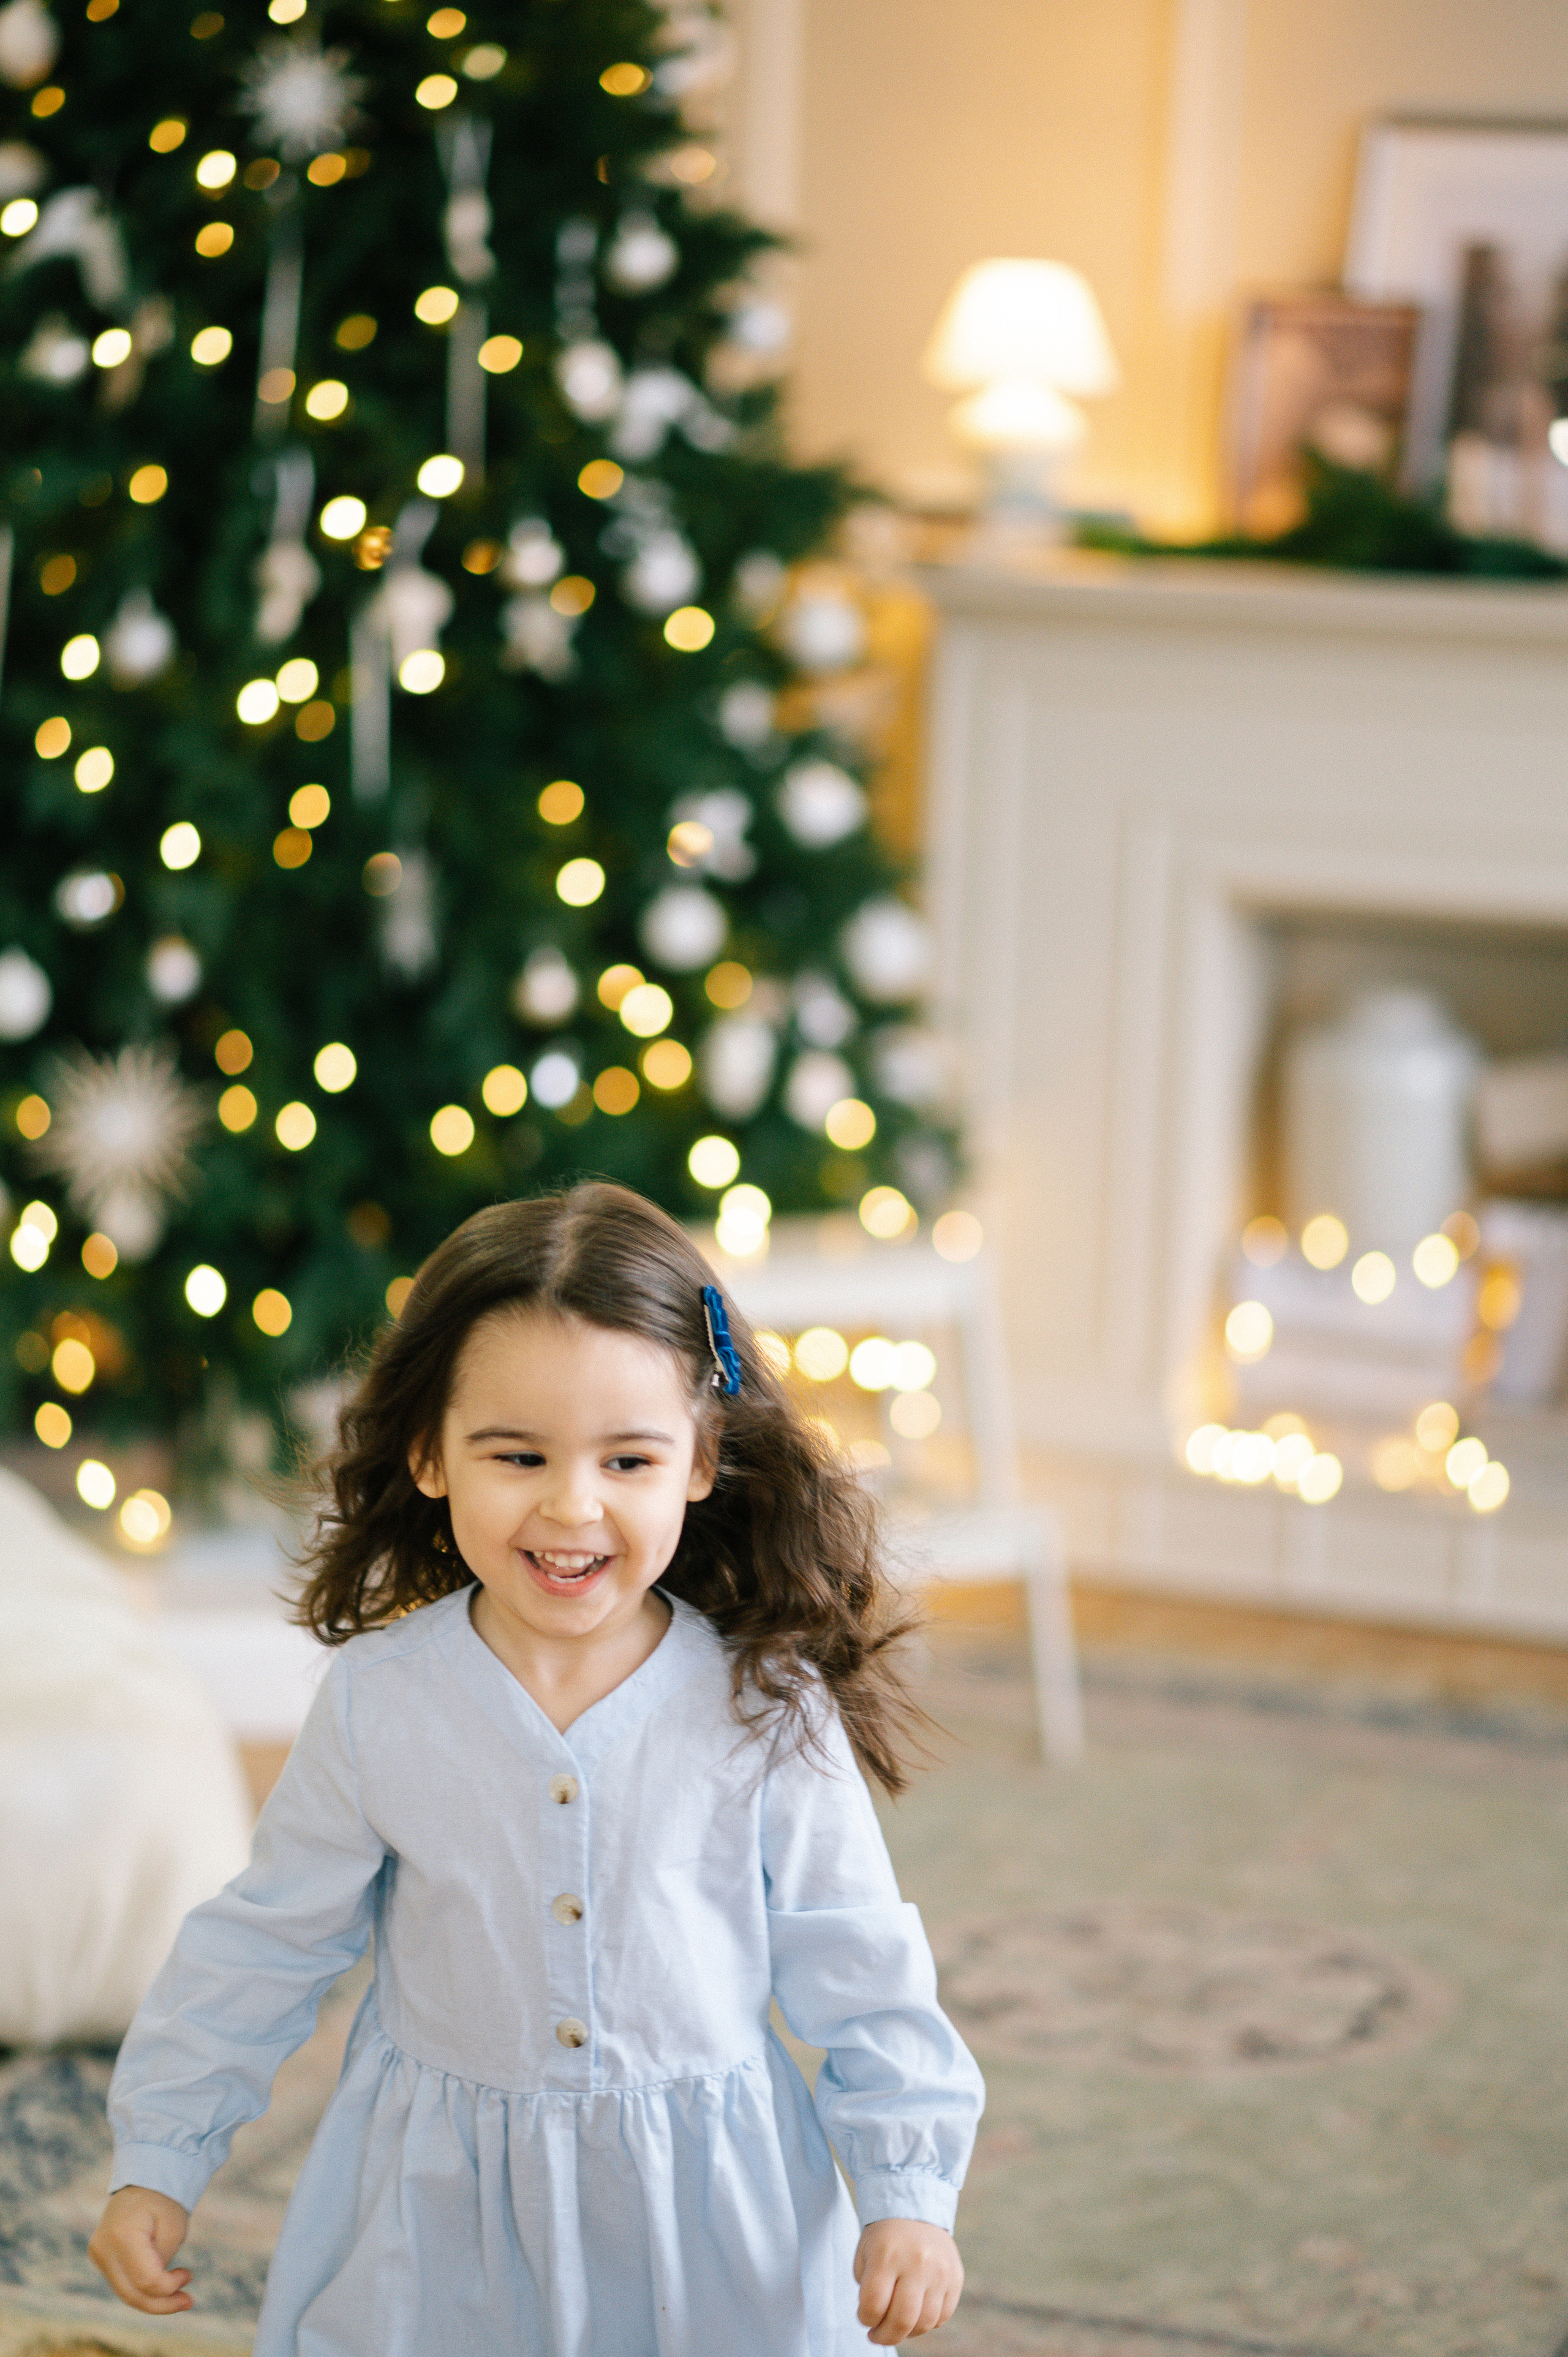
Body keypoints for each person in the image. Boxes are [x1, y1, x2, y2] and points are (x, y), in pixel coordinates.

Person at [89, 1182, 984, 2353]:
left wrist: (906, 2193)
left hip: (711, 2228)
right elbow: (267, 1939)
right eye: (519, 1454)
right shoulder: (380, 1699)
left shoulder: (768, 1711)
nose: (574, 1505)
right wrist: (161, 2154)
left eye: (629, 1459)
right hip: (438, 2216)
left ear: (701, 1464)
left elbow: (858, 1962)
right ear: (429, 1454)